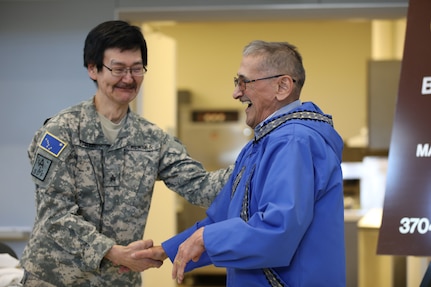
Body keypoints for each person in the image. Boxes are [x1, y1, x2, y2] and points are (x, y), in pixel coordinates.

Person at [19, 20, 232, 287]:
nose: (128, 79)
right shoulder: (61, 132)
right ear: (93, 69)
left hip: (117, 281)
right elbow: (55, 215)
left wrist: (256, 163)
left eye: (136, 69)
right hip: (54, 279)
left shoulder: (154, 140)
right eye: (118, 69)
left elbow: (202, 187)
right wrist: (114, 252)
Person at [133, 40, 346, 286]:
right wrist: (167, 250)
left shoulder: (294, 141)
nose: (236, 92)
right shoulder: (264, 142)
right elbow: (226, 217)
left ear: (283, 86)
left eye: (245, 82)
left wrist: (206, 239)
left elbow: (279, 229)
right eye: (237, 82)